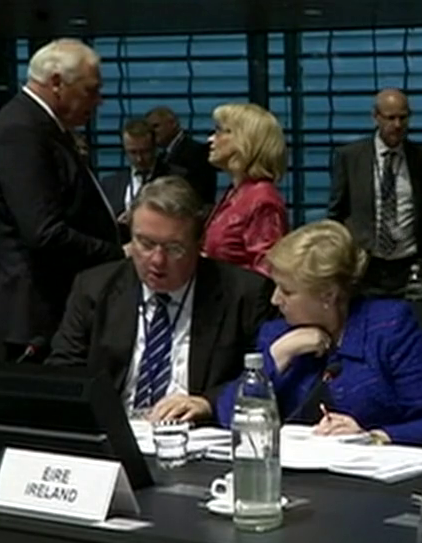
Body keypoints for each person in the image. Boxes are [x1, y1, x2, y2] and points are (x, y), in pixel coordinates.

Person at [213, 220, 422, 448]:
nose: (274, 300)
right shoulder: (277, 333)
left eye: (287, 291)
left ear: (328, 295)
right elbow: (228, 417)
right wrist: (279, 354)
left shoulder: (388, 327)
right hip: (300, 472)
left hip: (377, 472)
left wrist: (372, 437)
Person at [47, 177, 274, 423]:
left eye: (174, 248)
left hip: (196, 433)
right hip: (116, 430)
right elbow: (63, 373)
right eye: (145, 244)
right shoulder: (95, 288)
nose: (157, 260)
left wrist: (210, 402)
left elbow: (268, 376)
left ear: (199, 244)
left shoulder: (244, 295)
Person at [0, 38, 125, 361]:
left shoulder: (40, 126)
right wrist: (117, 254)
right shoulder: (20, 132)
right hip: (35, 313)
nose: (99, 101)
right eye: (90, 90)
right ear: (56, 83)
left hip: (47, 306)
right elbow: (43, 232)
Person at [326, 88, 422, 296]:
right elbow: (336, 214)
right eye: (390, 118)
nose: (397, 125)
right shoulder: (351, 158)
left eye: (403, 118)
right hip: (365, 269)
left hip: (408, 267)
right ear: (375, 117)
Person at [201, 102, 289, 275]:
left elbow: (266, 272)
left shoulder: (262, 200)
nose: (210, 139)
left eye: (219, 131)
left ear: (245, 140)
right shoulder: (236, 192)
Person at [100, 118, 181, 242]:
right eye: (133, 152)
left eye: (145, 152)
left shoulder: (176, 178)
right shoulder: (109, 184)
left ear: (155, 147)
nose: (139, 159)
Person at [145, 105, 218, 206]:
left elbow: (200, 191)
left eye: (156, 126)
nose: (153, 133)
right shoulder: (161, 157)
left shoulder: (196, 151)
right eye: (149, 130)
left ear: (173, 123)